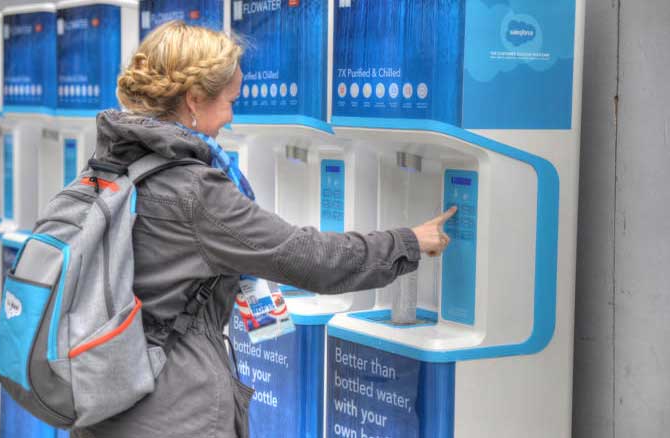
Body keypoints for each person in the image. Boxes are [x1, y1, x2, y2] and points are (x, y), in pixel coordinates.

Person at [72, 20, 456, 438]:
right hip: (171, 410)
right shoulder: (192, 189)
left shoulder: (108, 167)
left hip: (107, 397)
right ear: (195, 100)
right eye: (230, 101)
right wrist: (408, 242)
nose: (232, 118)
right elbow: (306, 258)